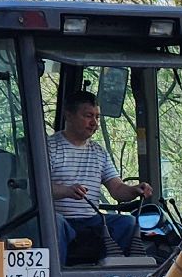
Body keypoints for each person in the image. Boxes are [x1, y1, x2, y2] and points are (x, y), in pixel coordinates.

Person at [50, 90, 151, 261]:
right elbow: (37, 189)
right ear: (69, 115)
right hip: (62, 220)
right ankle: (57, 276)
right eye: (88, 116)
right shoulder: (50, 147)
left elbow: (117, 189)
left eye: (97, 117)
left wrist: (135, 190)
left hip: (92, 220)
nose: (94, 123)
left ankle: (112, 274)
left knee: (128, 223)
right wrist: (67, 191)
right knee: (54, 223)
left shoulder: (98, 152)